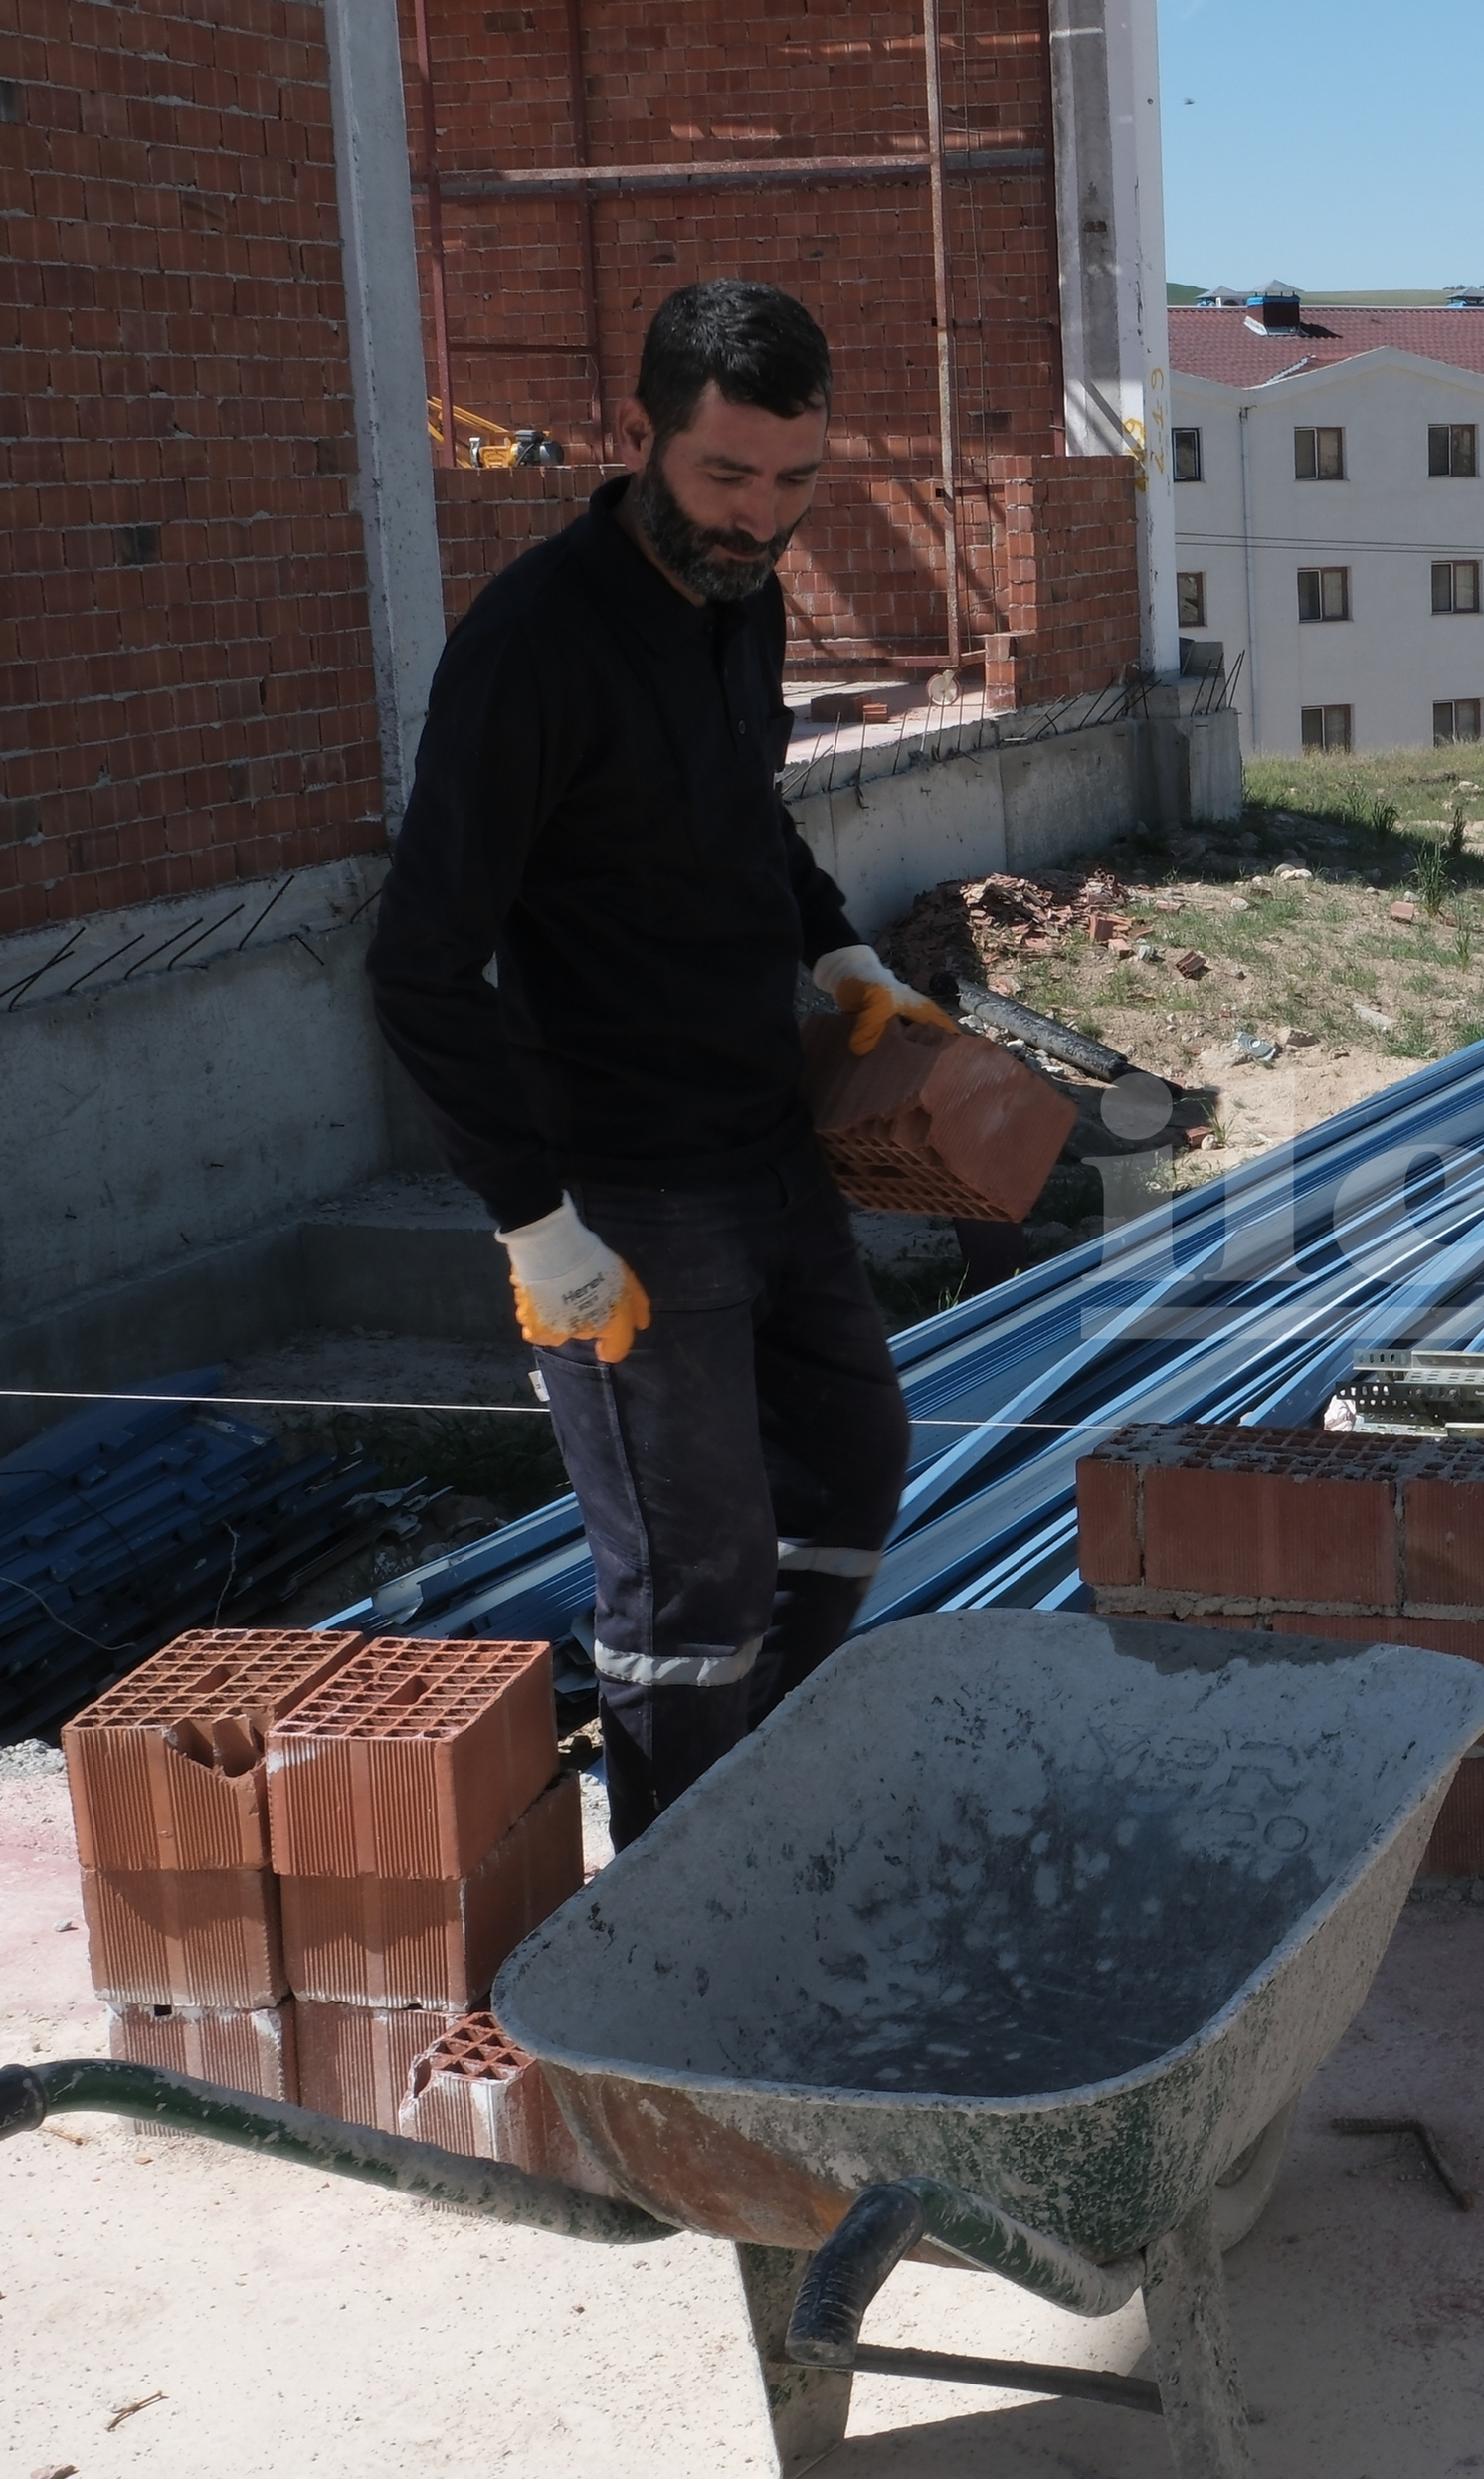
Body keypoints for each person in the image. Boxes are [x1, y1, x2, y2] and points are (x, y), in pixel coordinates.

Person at [366, 280, 949, 1842]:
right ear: (640, 439)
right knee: (692, 1573)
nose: (762, 521)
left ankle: (763, 1801)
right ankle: (682, 1911)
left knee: (851, 1455)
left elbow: (745, 809)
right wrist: (532, 1222)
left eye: (796, 483)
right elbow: (417, 965)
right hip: (622, 1192)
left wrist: (836, 949)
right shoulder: (533, 647)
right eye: (727, 478)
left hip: (761, 1142)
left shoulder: (735, 600)